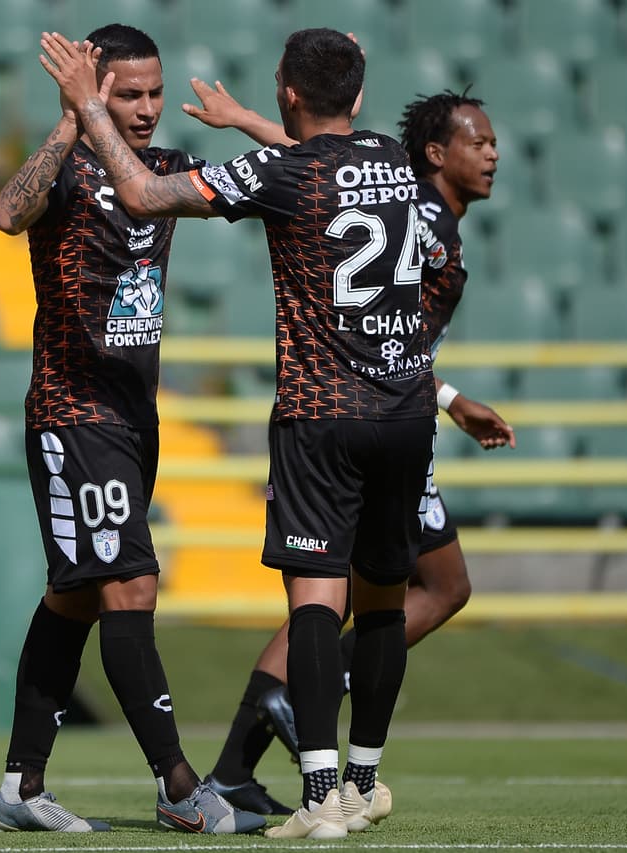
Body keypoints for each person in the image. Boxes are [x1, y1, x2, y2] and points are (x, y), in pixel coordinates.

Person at [41, 27, 446, 838]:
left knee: (315, 600)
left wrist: (88, 105)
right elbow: (318, 157)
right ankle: (364, 781)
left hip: (323, 412)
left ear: (287, 92)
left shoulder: (286, 171)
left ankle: (321, 798)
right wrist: (250, 122)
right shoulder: (393, 161)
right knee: (386, 598)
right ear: (359, 97)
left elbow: (148, 196)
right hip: (410, 409)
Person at [191, 87, 514, 815]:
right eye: (478, 141)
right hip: (378, 417)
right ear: (435, 154)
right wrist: (438, 396)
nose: (493, 152)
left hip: (380, 407)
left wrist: (450, 395)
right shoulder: (421, 210)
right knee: (388, 588)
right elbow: (380, 335)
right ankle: (304, 713)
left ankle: (259, 745)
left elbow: (321, 164)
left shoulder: (397, 190)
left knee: (349, 588)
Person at [0, 23, 264, 835]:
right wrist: (72, 119)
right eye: (127, 94)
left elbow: (283, 181)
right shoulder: (65, 172)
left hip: (134, 416)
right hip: (74, 413)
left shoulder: (165, 173)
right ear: (95, 89)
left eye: (153, 92)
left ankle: (21, 788)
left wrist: (253, 124)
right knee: (130, 586)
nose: (146, 109)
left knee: (71, 597)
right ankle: (179, 784)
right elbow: (7, 214)